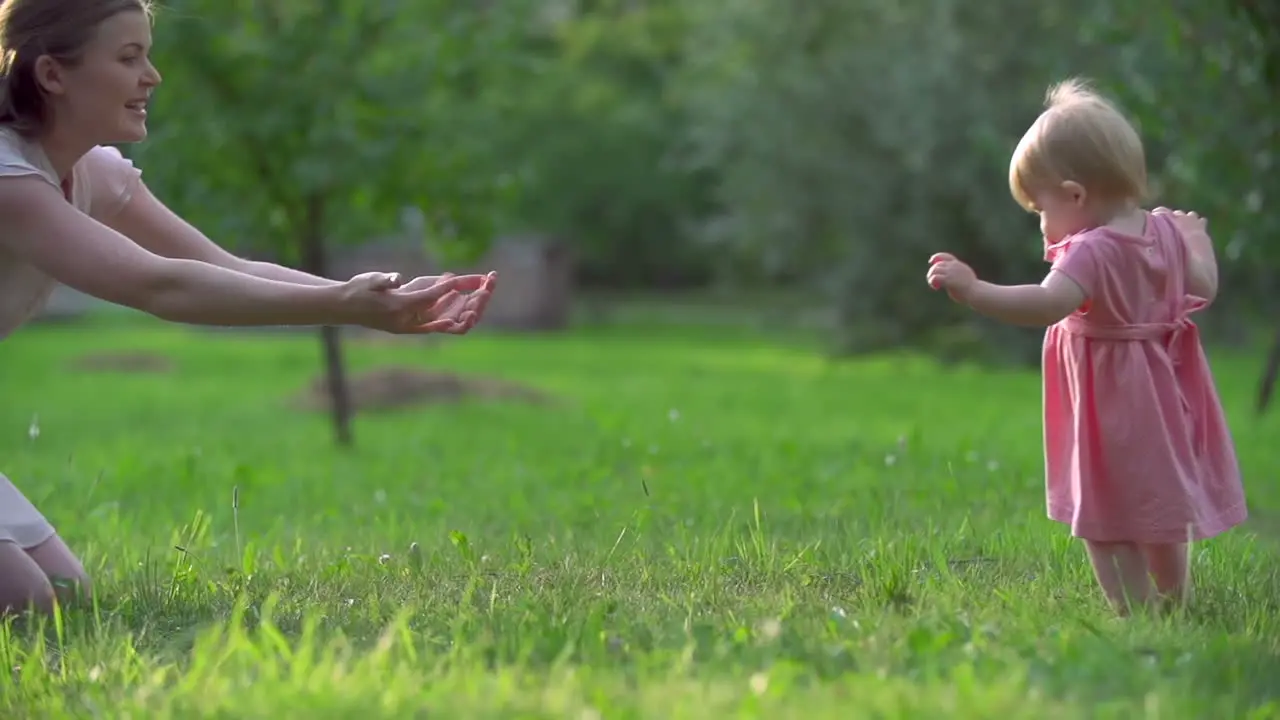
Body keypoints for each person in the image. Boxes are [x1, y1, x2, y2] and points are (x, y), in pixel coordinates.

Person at [0, 0, 498, 616]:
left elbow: (223, 268)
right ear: (52, 74)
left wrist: (365, 301)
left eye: (148, 55)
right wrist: (343, 303)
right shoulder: (10, 182)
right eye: (129, 58)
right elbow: (162, 287)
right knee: (24, 600)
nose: (152, 76)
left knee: (67, 597)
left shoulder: (91, 172)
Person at [925, 78, 1247, 616]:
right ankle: (1175, 602)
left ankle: (1136, 613)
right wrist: (1199, 243)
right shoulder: (1164, 232)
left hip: (1111, 402)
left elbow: (1046, 304)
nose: (1043, 224)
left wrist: (974, 289)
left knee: (1105, 513)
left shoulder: (1090, 252)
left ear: (1075, 195)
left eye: (1040, 210)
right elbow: (1205, 288)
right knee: (1159, 504)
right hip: (1164, 395)